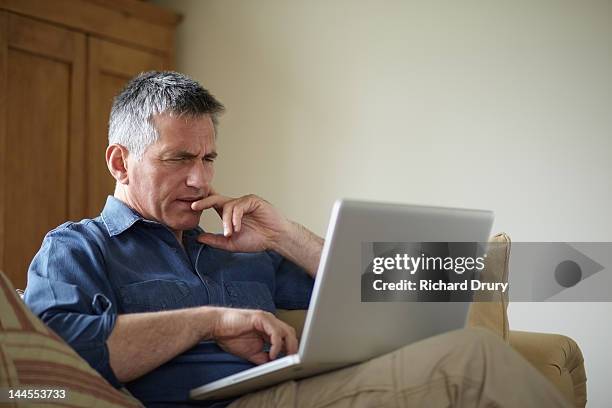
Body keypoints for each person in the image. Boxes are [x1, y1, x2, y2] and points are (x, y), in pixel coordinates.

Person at [25, 71, 571, 408]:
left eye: (208, 158)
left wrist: (285, 237)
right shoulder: (79, 248)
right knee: (470, 358)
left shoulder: (241, 252)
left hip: (295, 389)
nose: (201, 180)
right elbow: (52, 359)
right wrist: (208, 321)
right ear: (120, 162)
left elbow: (399, 292)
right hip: (221, 404)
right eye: (178, 159)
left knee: (462, 340)